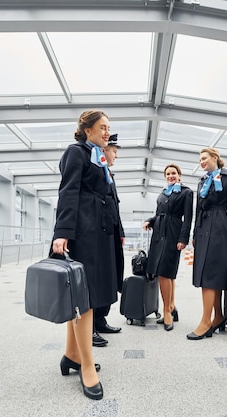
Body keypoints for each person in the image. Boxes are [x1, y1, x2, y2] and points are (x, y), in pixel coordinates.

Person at [51, 109, 118, 401]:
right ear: (87, 129)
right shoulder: (75, 152)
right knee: (84, 299)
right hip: (81, 233)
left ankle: (71, 356)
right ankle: (87, 367)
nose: (107, 133)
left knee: (80, 297)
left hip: (98, 233)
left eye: (108, 128)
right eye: (102, 128)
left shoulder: (97, 155)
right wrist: (62, 232)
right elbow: (68, 191)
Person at [187, 148, 227, 340]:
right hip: (203, 227)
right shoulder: (202, 181)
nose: (202, 162)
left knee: (211, 274)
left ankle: (206, 321)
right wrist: (194, 233)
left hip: (219, 227)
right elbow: (198, 208)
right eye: (200, 160)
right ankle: (218, 316)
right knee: (208, 274)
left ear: (215, 158)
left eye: (204, 158)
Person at [142, 164, 193, 331]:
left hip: (173, 233)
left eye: (174, 173)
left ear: (179, 175)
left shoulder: (186, 192)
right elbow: (158, 214)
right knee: (165, 273)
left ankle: (167, 311)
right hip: (158, 233)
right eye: (168, 174)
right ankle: (171, 306)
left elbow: (188, 217)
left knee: (166, 271)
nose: (171, 176)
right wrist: (150, 221)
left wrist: (183, 238)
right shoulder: (163, 192)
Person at [92, 134, 125, 347]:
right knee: (98, 278)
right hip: (98, 230)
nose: (116, 156)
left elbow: (115, 204)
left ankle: (101, 319)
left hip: (111, 230)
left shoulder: (108, 173)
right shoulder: (97, 170)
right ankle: (91, 326)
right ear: (104, 150)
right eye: (114, 151)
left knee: (110, 275)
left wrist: (120, 231)